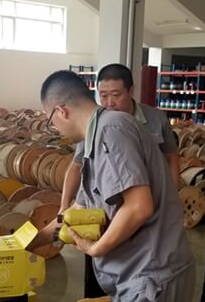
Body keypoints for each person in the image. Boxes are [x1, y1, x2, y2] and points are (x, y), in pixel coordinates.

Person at [29, 70, 196, 302]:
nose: (55, 128)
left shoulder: (112, 131)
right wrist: (27, 243)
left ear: (61, 111)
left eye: (51, 120)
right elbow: (77, 211)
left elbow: (138, 206)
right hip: (132, 276)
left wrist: (95, 249)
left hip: (153, 273)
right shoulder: (95, 139)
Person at [59, 63, 180, 211]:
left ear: (131, 91)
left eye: (116, 95)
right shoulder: (93, 125)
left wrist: (171, 196)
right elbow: (77, 166)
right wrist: (64, 206)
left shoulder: (156, 118)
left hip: (152, 198)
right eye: (103, 96)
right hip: (111, 203)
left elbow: (171, 157)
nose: (109, 103)